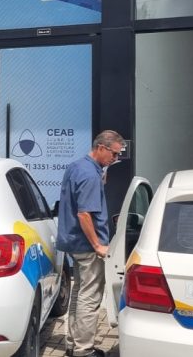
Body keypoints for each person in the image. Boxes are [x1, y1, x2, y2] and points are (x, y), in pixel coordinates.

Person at [56, 130, 125, 357]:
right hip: (87, 246)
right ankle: (84, 350)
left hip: (73, 243)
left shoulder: (77, 167)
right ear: (101, 148)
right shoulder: (89, 175)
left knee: (79, 293)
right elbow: (84, 213)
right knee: (90, 297)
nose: (116, 158)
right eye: (114, 154)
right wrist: (97, 245)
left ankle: (72, 344)